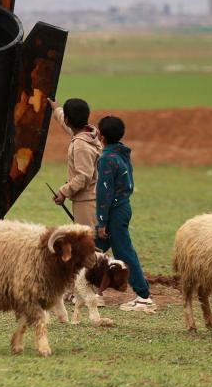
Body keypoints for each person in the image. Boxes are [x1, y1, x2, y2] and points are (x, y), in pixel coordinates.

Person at [94, 115, 155, 312]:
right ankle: (90, 290)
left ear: (100, 135)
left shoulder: (106, 159)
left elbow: (104, 192)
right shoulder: (121, 153)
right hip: (123, 207)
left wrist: (102, 221)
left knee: (124, 253)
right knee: (95, 248)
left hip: (114, 211)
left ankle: (144, 296)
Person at [48, 98, 102, 228]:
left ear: (68, 120)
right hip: (93, 197)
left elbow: (84, 177)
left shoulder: (80, 145)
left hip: (87, 202)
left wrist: (63, 192)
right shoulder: (88, 133)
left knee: (89, 244)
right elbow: (66, 123)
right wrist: (56, 109)